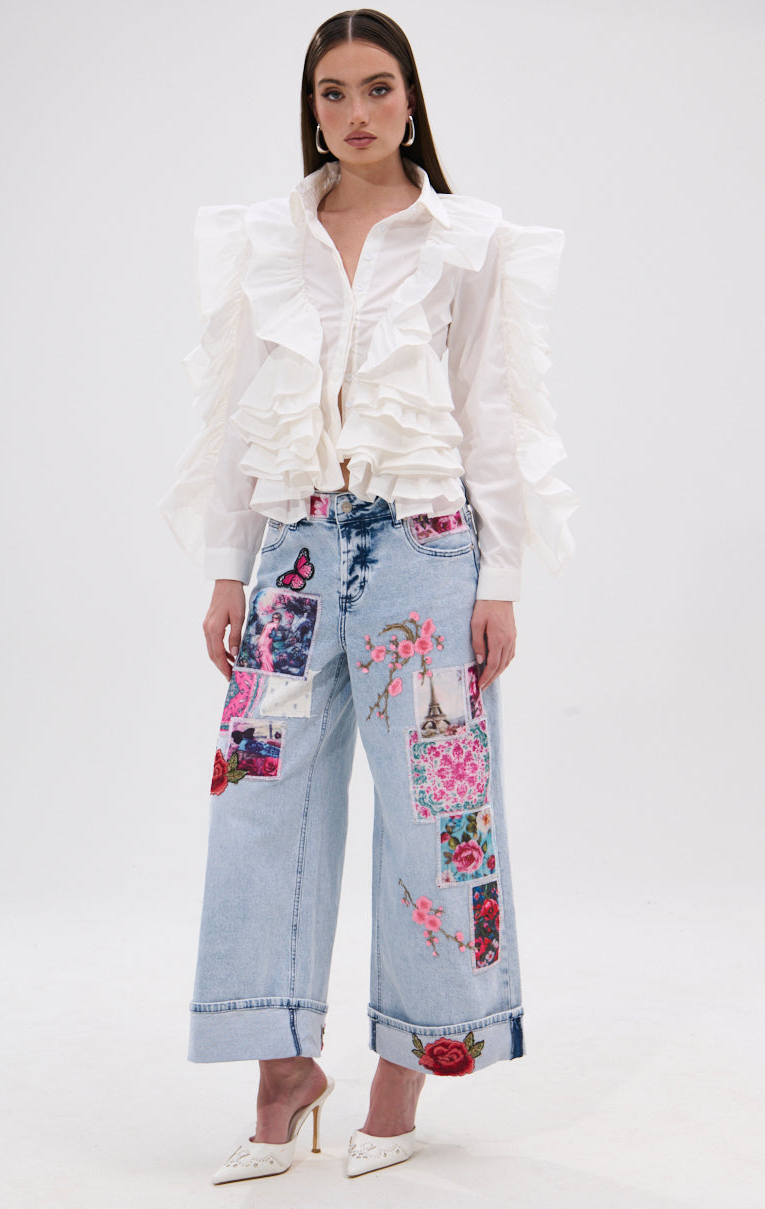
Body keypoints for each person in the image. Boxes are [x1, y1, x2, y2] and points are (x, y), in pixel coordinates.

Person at [159, 7, 577, 1184]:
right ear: (311, 107)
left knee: (431, 811)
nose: (353, 114)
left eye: (375, 89)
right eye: (331, 93)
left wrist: (496, 579)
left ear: (410, 101)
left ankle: (406, 1064)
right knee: (258, 803)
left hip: (424, 552)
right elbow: (237, 404)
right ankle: (282, 1068)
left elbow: (494, 410)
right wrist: (227, 566)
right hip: (291, 553)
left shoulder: (466, 238)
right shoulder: (265, 238)